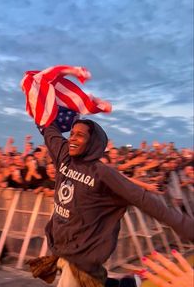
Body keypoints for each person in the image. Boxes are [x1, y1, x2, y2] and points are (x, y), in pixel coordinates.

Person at [27, 116, 194, 287]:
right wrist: (39, 100)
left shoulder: (103, 174)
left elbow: (144, 200)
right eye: (72, 134)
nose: (73, 138)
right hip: (61, 247)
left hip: (82, 255)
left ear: (92, 142)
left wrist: (187, 227)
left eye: (80, 135)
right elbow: (48, 127)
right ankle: (126, 285)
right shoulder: (64, 156)